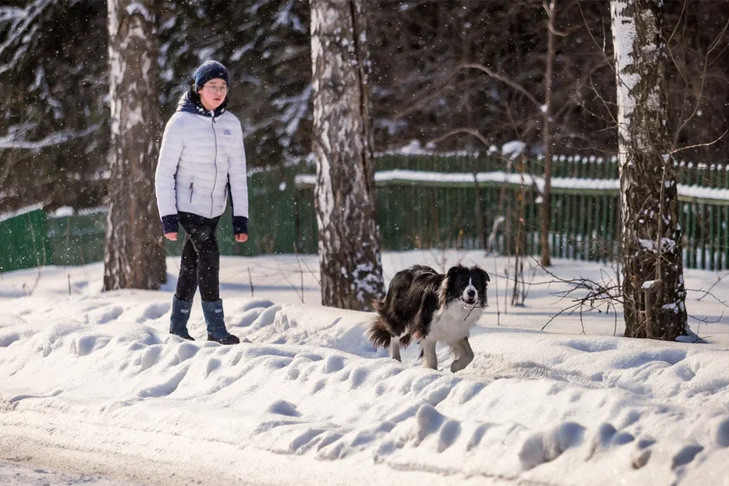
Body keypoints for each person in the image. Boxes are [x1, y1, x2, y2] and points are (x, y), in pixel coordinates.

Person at [155, 60, 248, 345]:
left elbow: (238, 174)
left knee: (191, 263)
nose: (218, 91)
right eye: (212, 86)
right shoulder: (180, 123)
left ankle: (178, 326)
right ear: (198, 89)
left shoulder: (231, 124)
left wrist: (240, 217)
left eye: (223, 86)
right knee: (208, 254)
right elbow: (164, 172)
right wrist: (168, 216)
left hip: (214, 207)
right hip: (187, 204)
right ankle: (216, 329)